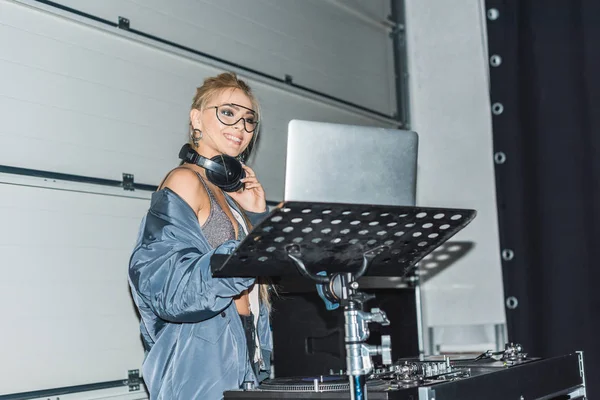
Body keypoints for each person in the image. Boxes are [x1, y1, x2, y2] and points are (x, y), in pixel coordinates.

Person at [128, 72, 272, 399]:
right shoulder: (184, 181)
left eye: (249, 120)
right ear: (197, 118)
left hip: (244, 349)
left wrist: (257, 216)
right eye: (229, 113)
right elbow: (166, 287)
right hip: (200, 362)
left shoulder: (230, 192)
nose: (241, 127)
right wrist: (244, 255)